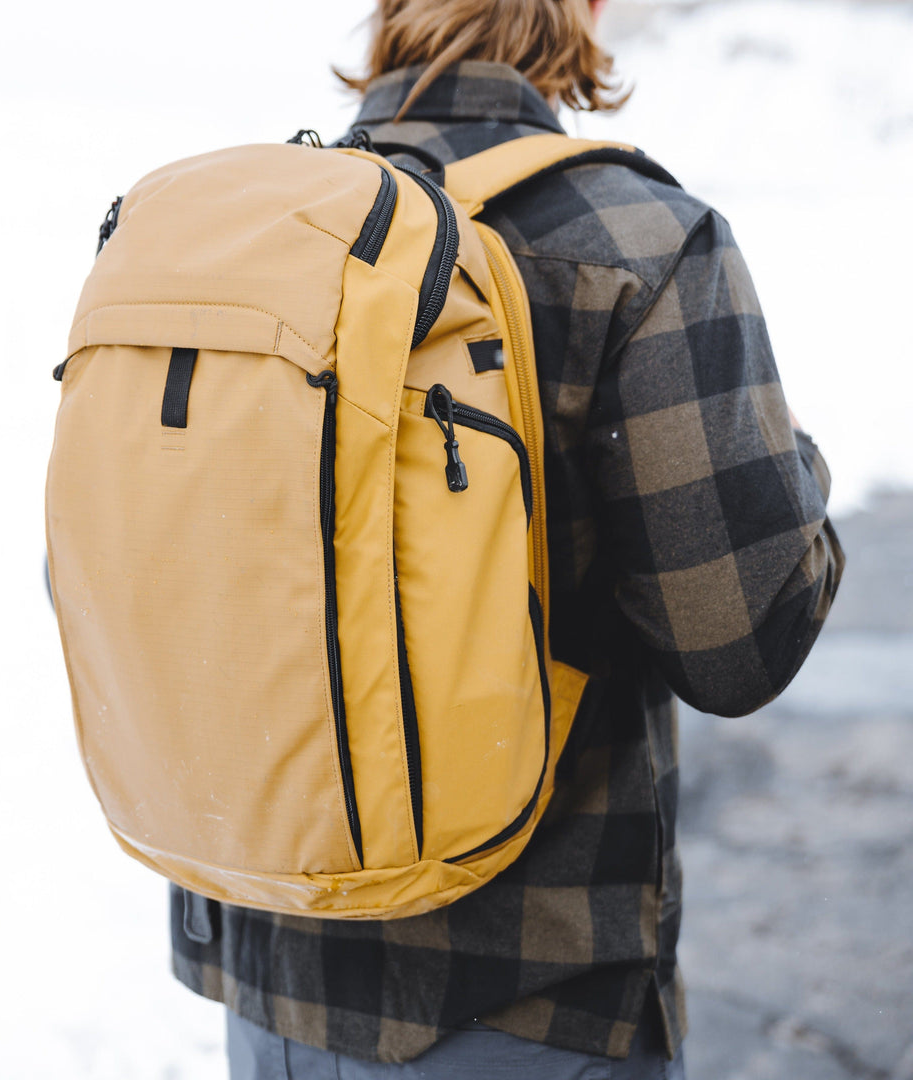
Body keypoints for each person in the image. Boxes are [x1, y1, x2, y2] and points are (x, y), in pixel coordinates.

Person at [168, 1, 845, 1076]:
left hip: (269, 982)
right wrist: (794, 464)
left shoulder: (261, 237)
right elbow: (740, 641)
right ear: (580, 8)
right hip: (523, 1001)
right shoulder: (642, 239)